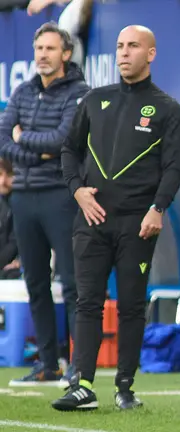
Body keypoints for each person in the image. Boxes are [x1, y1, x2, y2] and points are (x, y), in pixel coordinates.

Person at [53, 25, 180, 411]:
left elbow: (175, 167)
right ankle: (81, 385)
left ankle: (125, 387)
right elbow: (68, 150)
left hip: (138, 221)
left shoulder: (167, 108)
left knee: (130, 304)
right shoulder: (95, 100)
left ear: (151, 54)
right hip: (92, 219)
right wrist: (77, 190)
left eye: (132, 46)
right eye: (119, 46)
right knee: (88, 301)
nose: (124, 53)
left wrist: (158, 208)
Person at [0, 22, 89, 386]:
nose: (42, 56)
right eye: (39, 49)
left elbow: (65, 139)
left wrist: (25, 141)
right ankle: (48, 364)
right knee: (35, 282)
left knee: (71, 284)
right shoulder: (22, 91)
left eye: (50, 49)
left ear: (65, 54)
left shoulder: (79, 92)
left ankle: (78, 365)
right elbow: (4, 139)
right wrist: (39, 153)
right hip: (24, 195)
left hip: (60, 195)